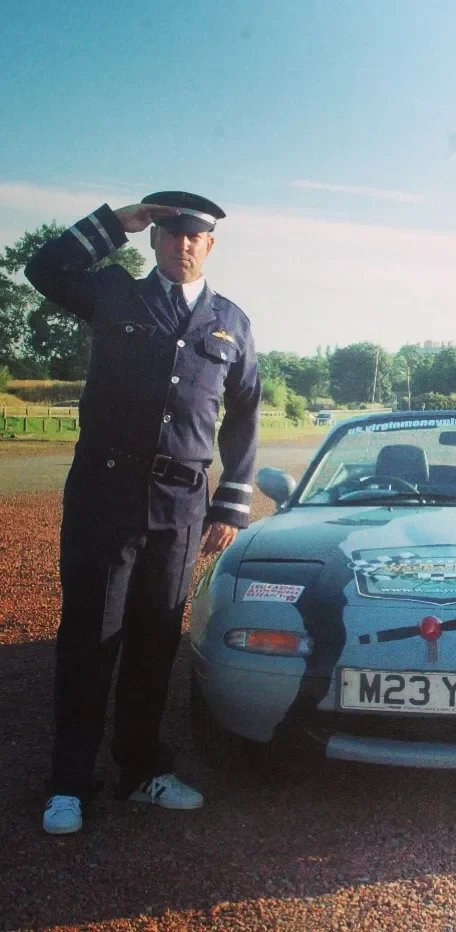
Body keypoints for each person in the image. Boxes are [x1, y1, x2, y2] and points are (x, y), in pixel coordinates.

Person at [25, 192, 261, 834]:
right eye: (169, 233)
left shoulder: (231, 322)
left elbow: (244, 410)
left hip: (182, 506)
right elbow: (44, 271)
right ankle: (69, 781)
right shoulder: (115, 295)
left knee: (157, 641)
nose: (182, 244)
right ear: (154, 240)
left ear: (210, 245)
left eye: (194, 236)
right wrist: (113, 225)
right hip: (105, 495)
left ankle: (140, 771)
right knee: (89, 638)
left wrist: (232, 499)